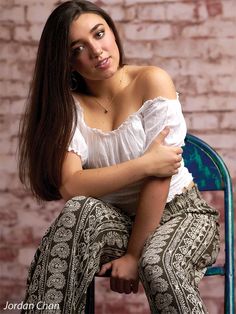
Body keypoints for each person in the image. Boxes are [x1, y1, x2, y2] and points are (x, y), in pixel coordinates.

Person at [18, 1, 220, 313]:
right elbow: (72, 186)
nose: (96, 51)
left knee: (158, 264)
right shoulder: (71, 107)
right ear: (67, 62)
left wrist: (134, 255)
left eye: (99, 35)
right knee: (79, 209)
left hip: (180, 213)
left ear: (112, 32)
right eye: (78, 49)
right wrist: (144, 163)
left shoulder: (151, 81)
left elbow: (161, 175)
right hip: (119, 221)